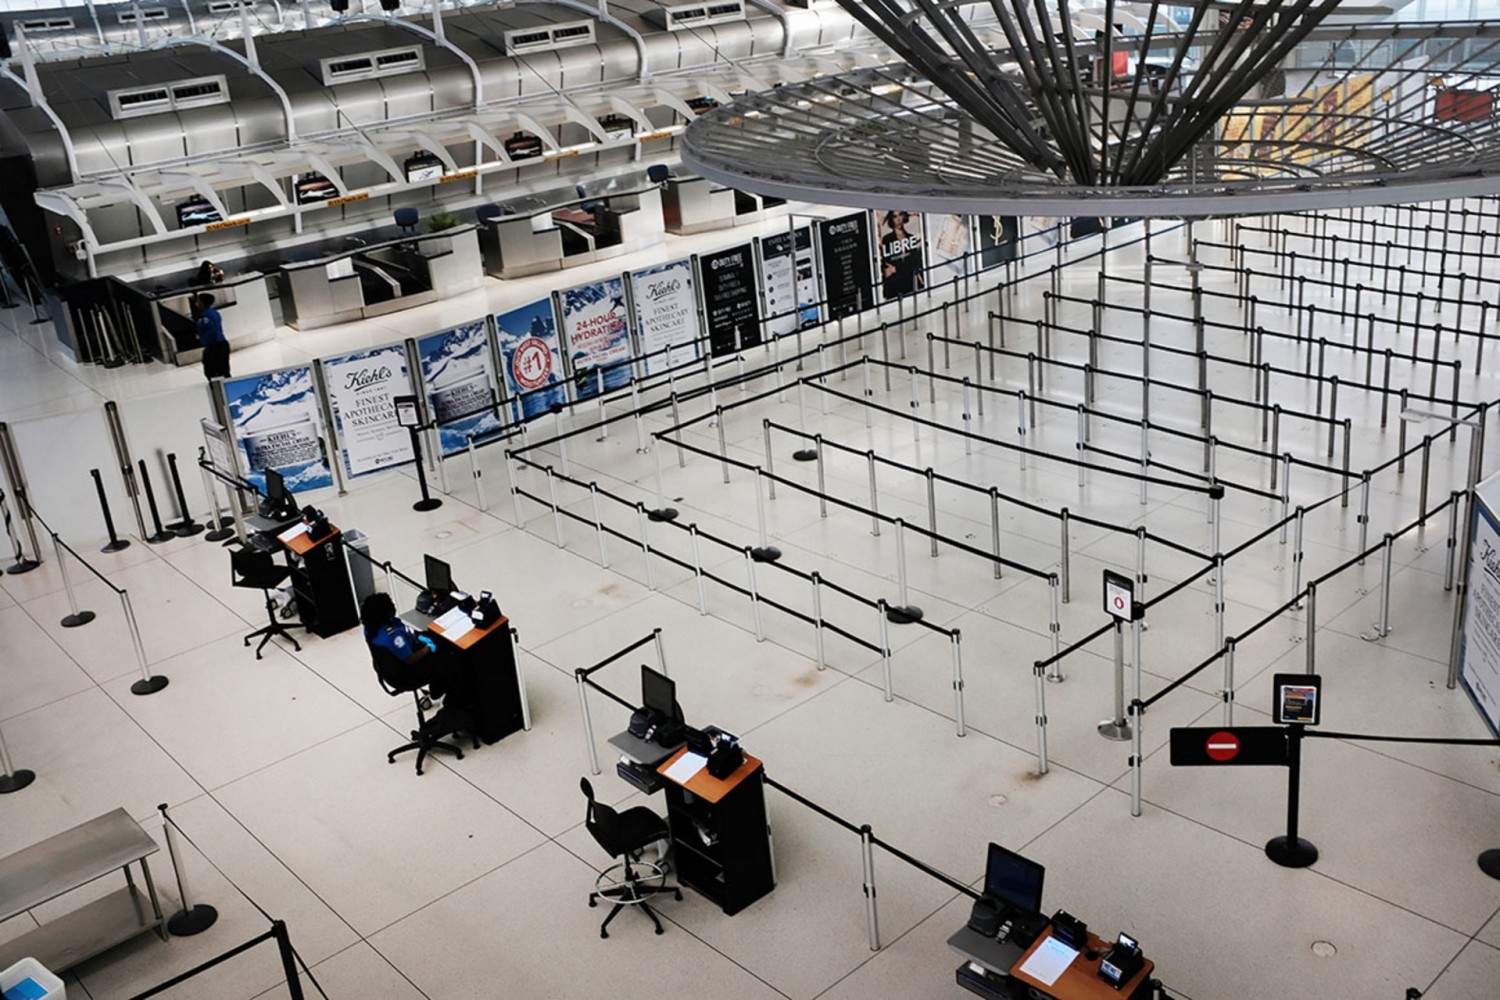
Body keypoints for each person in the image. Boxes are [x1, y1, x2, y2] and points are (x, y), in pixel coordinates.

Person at [360, 592, 477, 714]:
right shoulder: (391, 636)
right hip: (408, 672)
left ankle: (439, 685)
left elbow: (405, 635)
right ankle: (452, 698)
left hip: (398, 661)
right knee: (452, 656)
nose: (394, 606)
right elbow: (411, 659)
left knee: (435, 637)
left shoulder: (371, 628)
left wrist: (420, 639)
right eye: (391, 605)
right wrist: (427, 648)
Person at [880, 211, 924, 298]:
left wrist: (896, 269)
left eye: (900, 215)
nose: (898, 219)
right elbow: (887, 266)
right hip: (896, 285)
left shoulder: (911, 237)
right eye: (895, 217)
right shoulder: (887, 239)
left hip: (910, 282)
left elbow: (914, 262)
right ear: (891, 220)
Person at [195, 293, 230, 379]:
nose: (196, 303)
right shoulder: (213, 313)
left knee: (214, 371)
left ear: (202, 303)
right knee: (223, 370)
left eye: (198, 301)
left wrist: (203, 339)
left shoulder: (207, 316)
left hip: (215, 346)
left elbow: (212, 331)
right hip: (220, 344)